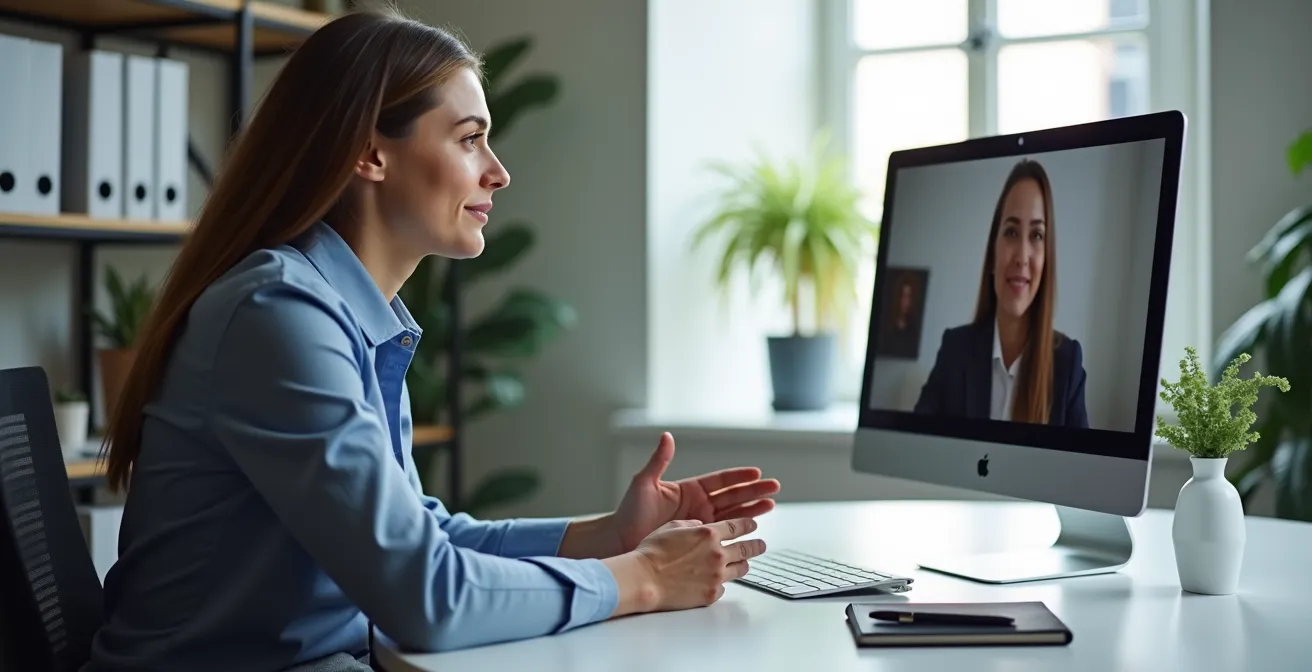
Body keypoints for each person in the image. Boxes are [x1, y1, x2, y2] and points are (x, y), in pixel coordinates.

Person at [83, 8, 780, 672]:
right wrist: (644, 578)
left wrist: (611, 536)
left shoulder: (346, 313)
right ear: (370, 156)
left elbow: (422, 536)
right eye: (469, 138)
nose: (497, 171)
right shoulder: (279, 314)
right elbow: (426, 595)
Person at [912, 158, 1089, 427]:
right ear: (992, 253)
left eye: (1037, 236)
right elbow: (916, 448)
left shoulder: (1067, 364)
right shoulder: (954, 350)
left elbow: (1082, 469)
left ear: (1047, 259)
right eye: (1011, 232)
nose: (1022, 256)